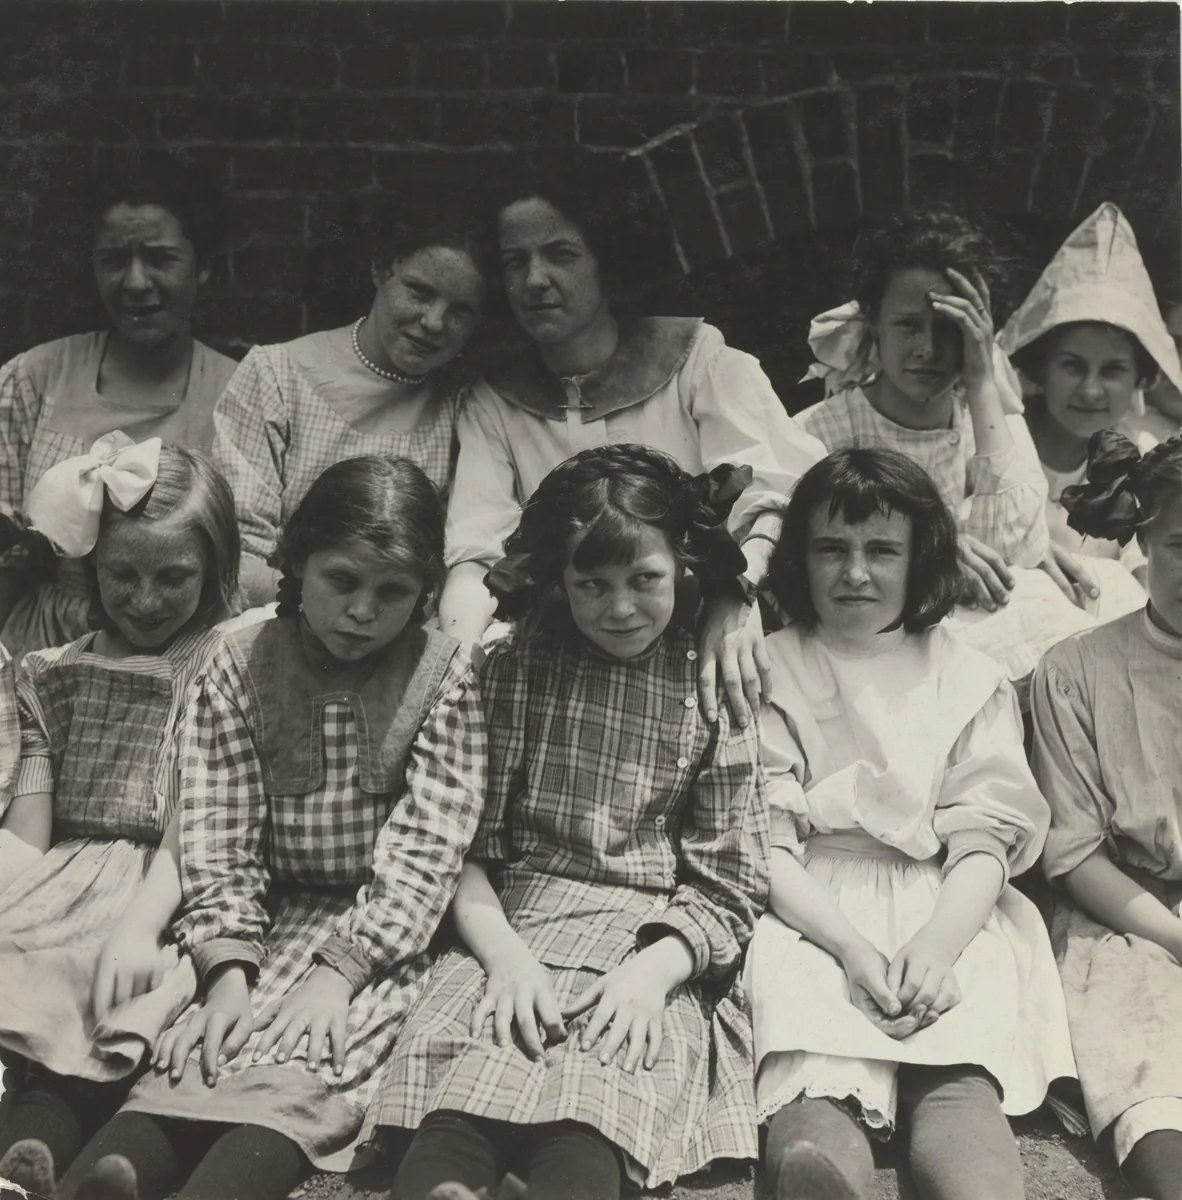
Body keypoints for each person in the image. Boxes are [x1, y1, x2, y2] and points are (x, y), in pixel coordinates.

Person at [45, 455, 487, 1200]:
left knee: (293, 1073)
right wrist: (225, 974)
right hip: (259, 924)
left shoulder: (443, 677)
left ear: (424, 593)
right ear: (296, 562)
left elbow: (427, 851)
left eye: (393, 592)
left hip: (375, 947)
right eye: (341, 581)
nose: (362, 611)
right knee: (191, 1062)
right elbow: (218, 833)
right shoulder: (238, 660)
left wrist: (336, 976)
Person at [376, 445, 770, 1200]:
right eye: (592, 585)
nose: (620, 608)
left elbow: (731, 880)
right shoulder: (514, 670)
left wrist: (653, 977)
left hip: (644, 940)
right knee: (464, 1075)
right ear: (556, 579)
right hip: (511, 926)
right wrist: (504, 959)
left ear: (684, 569)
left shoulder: (710, 681)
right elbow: (464, 843)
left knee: (599, 1091)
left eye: (644, 580)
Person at [746, 447, 1075, 1200]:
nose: (855, 572)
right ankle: (820, 1171)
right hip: (813, 903)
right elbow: (767, 843)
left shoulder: (964, 674)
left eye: (881, 551)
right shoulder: (773, 666)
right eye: (831, 549)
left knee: (956, 1063)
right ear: (800, 559)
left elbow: (986, 838)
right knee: (810, 1050)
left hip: (944, 900)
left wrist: (935, 943)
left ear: (922, 558)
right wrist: (852, 949)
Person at [437, 154, 826, 722]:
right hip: (570, 650)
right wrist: (454, 661)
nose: (534, 280)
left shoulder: (698, 360)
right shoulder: (495, 401)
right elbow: (476, 556)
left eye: (561, 255)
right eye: (514, 262)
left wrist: (731, 598)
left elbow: (774, 497)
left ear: (606, 262)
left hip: (710, 636)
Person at [0, 437, 241, 1194]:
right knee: (25, 977)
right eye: (121, 575)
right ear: (88, 571)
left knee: (107, 1007)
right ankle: (21, 1162)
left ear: (216, 571)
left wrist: (139, 920)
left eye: (173, 577)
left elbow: (205, 806)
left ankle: (65, 1163)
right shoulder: (49, 673)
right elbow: (30, 833)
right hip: (63, 883)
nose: (144, 599)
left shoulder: (229, 660)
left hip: (171, 879)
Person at [797, 206, 1092, 692]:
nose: (929, 349)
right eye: (909, 325)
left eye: (951, 328)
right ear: (873, 323)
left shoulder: (988, 418)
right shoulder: (818, 433)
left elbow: (1014, 548)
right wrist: (934, 548)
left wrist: (979, 382)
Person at [0, 157, 236, 659]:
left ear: (205, 264)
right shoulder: (35, 378)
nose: (134, 282)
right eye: (113, 260)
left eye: (160, 258)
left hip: (188, 652)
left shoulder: (240, 391)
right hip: (44, 646)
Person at [1032, 431, 1182, 1200]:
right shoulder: (1076, 670)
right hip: (1131, 912)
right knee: (1143, 1035)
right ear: (1142, 541)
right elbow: (1074, 854)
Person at [213, 211, 490, 607]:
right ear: (381, 270)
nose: (434, 322)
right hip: (277, 619)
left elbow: (456, 562)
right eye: (420, 292)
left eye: (460, 311)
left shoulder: (464, 403)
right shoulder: (275, 375)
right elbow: (238, 554)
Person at [1001, 202, 1182, 623]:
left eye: (1114, 370)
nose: (1091, 390)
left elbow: (1146, 568)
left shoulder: (1144, 457)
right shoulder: (999, 439)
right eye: (1073, 366)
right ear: (1041, 369)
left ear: (1140, 379)